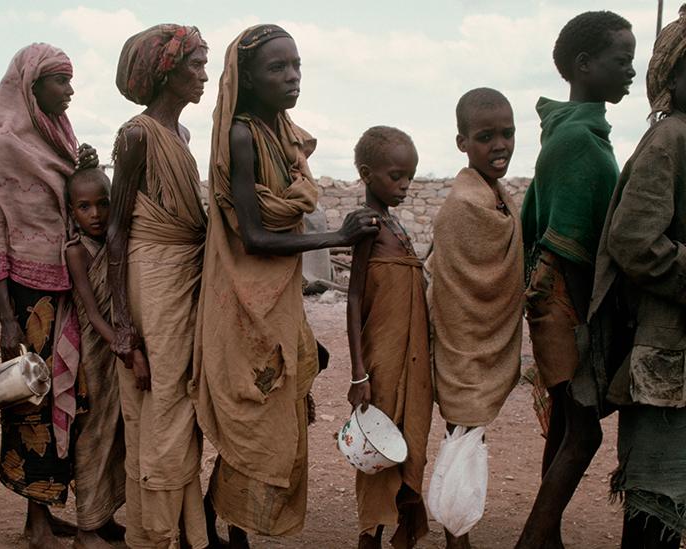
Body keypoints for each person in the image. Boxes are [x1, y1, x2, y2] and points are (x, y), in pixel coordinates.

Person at [193, 24, 379, 548]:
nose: (292, 77)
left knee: (278, 409)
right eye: (277, 68)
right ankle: (228, 528)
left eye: (296, 65)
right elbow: (252, 236)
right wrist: (334, 236)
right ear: (247, 78)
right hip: (244, 300)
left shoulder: (282, 133)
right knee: (256, 411)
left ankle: (224, 517)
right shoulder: (243, 135)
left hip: (279, 300)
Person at [516, 11, 636, 549]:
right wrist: (595, 324)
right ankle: (534, 538)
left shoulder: (576, 133)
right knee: (583, 431)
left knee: (566, 425)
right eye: (622, 61)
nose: (631, 71)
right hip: (565, 303)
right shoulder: (578, 145)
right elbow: (568, 243)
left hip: (557, 300)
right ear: (585, 66)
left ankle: (548, 536)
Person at [0, 43, 97, 549]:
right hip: (31, 302)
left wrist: (87, 169)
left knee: (72, 402)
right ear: (32, 88)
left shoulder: (62, 140)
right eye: (60, 81)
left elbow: (80, 207)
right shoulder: (11, 144)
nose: (69, 91)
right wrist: (7, 318)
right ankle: (34, 524)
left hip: (72, 290)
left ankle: (48, 513)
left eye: (71, 81)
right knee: (32, 405)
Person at [587, 6, 686, 547]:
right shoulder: (670, 139)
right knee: (657, 509)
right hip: (666, 356)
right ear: (673, 76)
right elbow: (634, 242)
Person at [109, 23, 210, 549]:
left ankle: (183, 528)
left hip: (185, 275)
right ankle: (154, 532)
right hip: (151, 277)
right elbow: (116, 229)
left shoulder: (183, 137)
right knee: (160, 397)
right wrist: (123, 327)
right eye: (195, 65)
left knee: (180, 399)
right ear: (167, 72)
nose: (204, 75)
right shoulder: (137, 135)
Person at [426, 88, 523, 549]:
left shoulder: (496, 195)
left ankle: (457, 529)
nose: (499, 145)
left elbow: (501, 274)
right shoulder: (461, 206)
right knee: (461, 436)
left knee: (469, 438)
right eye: (486, 136)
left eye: (507, 134)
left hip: (486, 338)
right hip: (462, 341)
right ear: (462, 141)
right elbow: (455, 287)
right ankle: (455, 535)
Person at [347, 126, 432, 549]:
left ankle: (398, 525)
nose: (404, 185)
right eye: (396, 176)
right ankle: (370, 537)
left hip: (412, 358)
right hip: (381, 357)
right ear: (367, 174)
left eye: (409, 177)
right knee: (380, 446)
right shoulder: (366, 227)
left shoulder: (394, 224)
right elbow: (354, 297)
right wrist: (359, 372)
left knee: (409, 436)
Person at [64, 167, 138, 549]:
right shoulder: (77, 251)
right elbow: (93, 314)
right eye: (84, 207)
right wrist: (124, 348)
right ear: (71, 212)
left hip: (116, 350)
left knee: (118, 434)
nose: (95, 214)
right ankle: (85, 529)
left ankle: (104, 518)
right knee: (94, 435)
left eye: (103, 204)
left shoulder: (116, 242)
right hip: (96, 354)